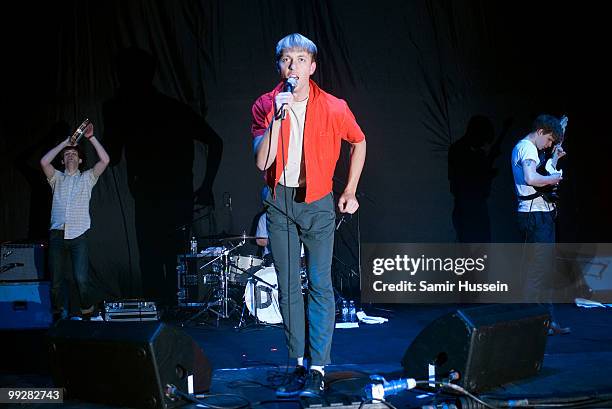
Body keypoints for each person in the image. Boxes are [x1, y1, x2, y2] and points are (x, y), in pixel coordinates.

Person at [251, 33, 366, 397]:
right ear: (279, 66)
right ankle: (297, 363)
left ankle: (318, 365)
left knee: (319, 283)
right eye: (287, 60)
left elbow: (358, 141)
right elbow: (262, 162)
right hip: (279, 201)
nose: (293, 67)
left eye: (301, 60)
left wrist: (349, 190)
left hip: (317, 200)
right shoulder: (266, 105)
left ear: (312, 67)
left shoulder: (334, 106)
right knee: (287, 286)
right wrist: (277, 119)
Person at [40, 121, 110, 319]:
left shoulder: (87, 178)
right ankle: (58, 314)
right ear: (62, 160)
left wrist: (91, 138)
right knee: (55, 281)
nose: (70, 155)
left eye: (74, 154)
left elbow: (105, 160)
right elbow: (44, 162)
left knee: (81, 279)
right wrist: (64, 144)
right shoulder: (56, 178)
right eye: (67, 155)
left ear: (80, 160)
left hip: (78, 235)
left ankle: (87, 313)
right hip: (57, 234)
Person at [511, 114, 570, 335]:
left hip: (542, 215)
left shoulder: (532, 149)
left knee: (543, 271)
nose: (550, 145)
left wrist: (554, 162)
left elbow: (541, 174)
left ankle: (547, 321)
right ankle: (533, 325)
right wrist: (554, 179)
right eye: (549, 140)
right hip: (533, 216)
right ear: (541, 132)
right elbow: (531, 179)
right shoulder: (526, 148)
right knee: (536, 273)